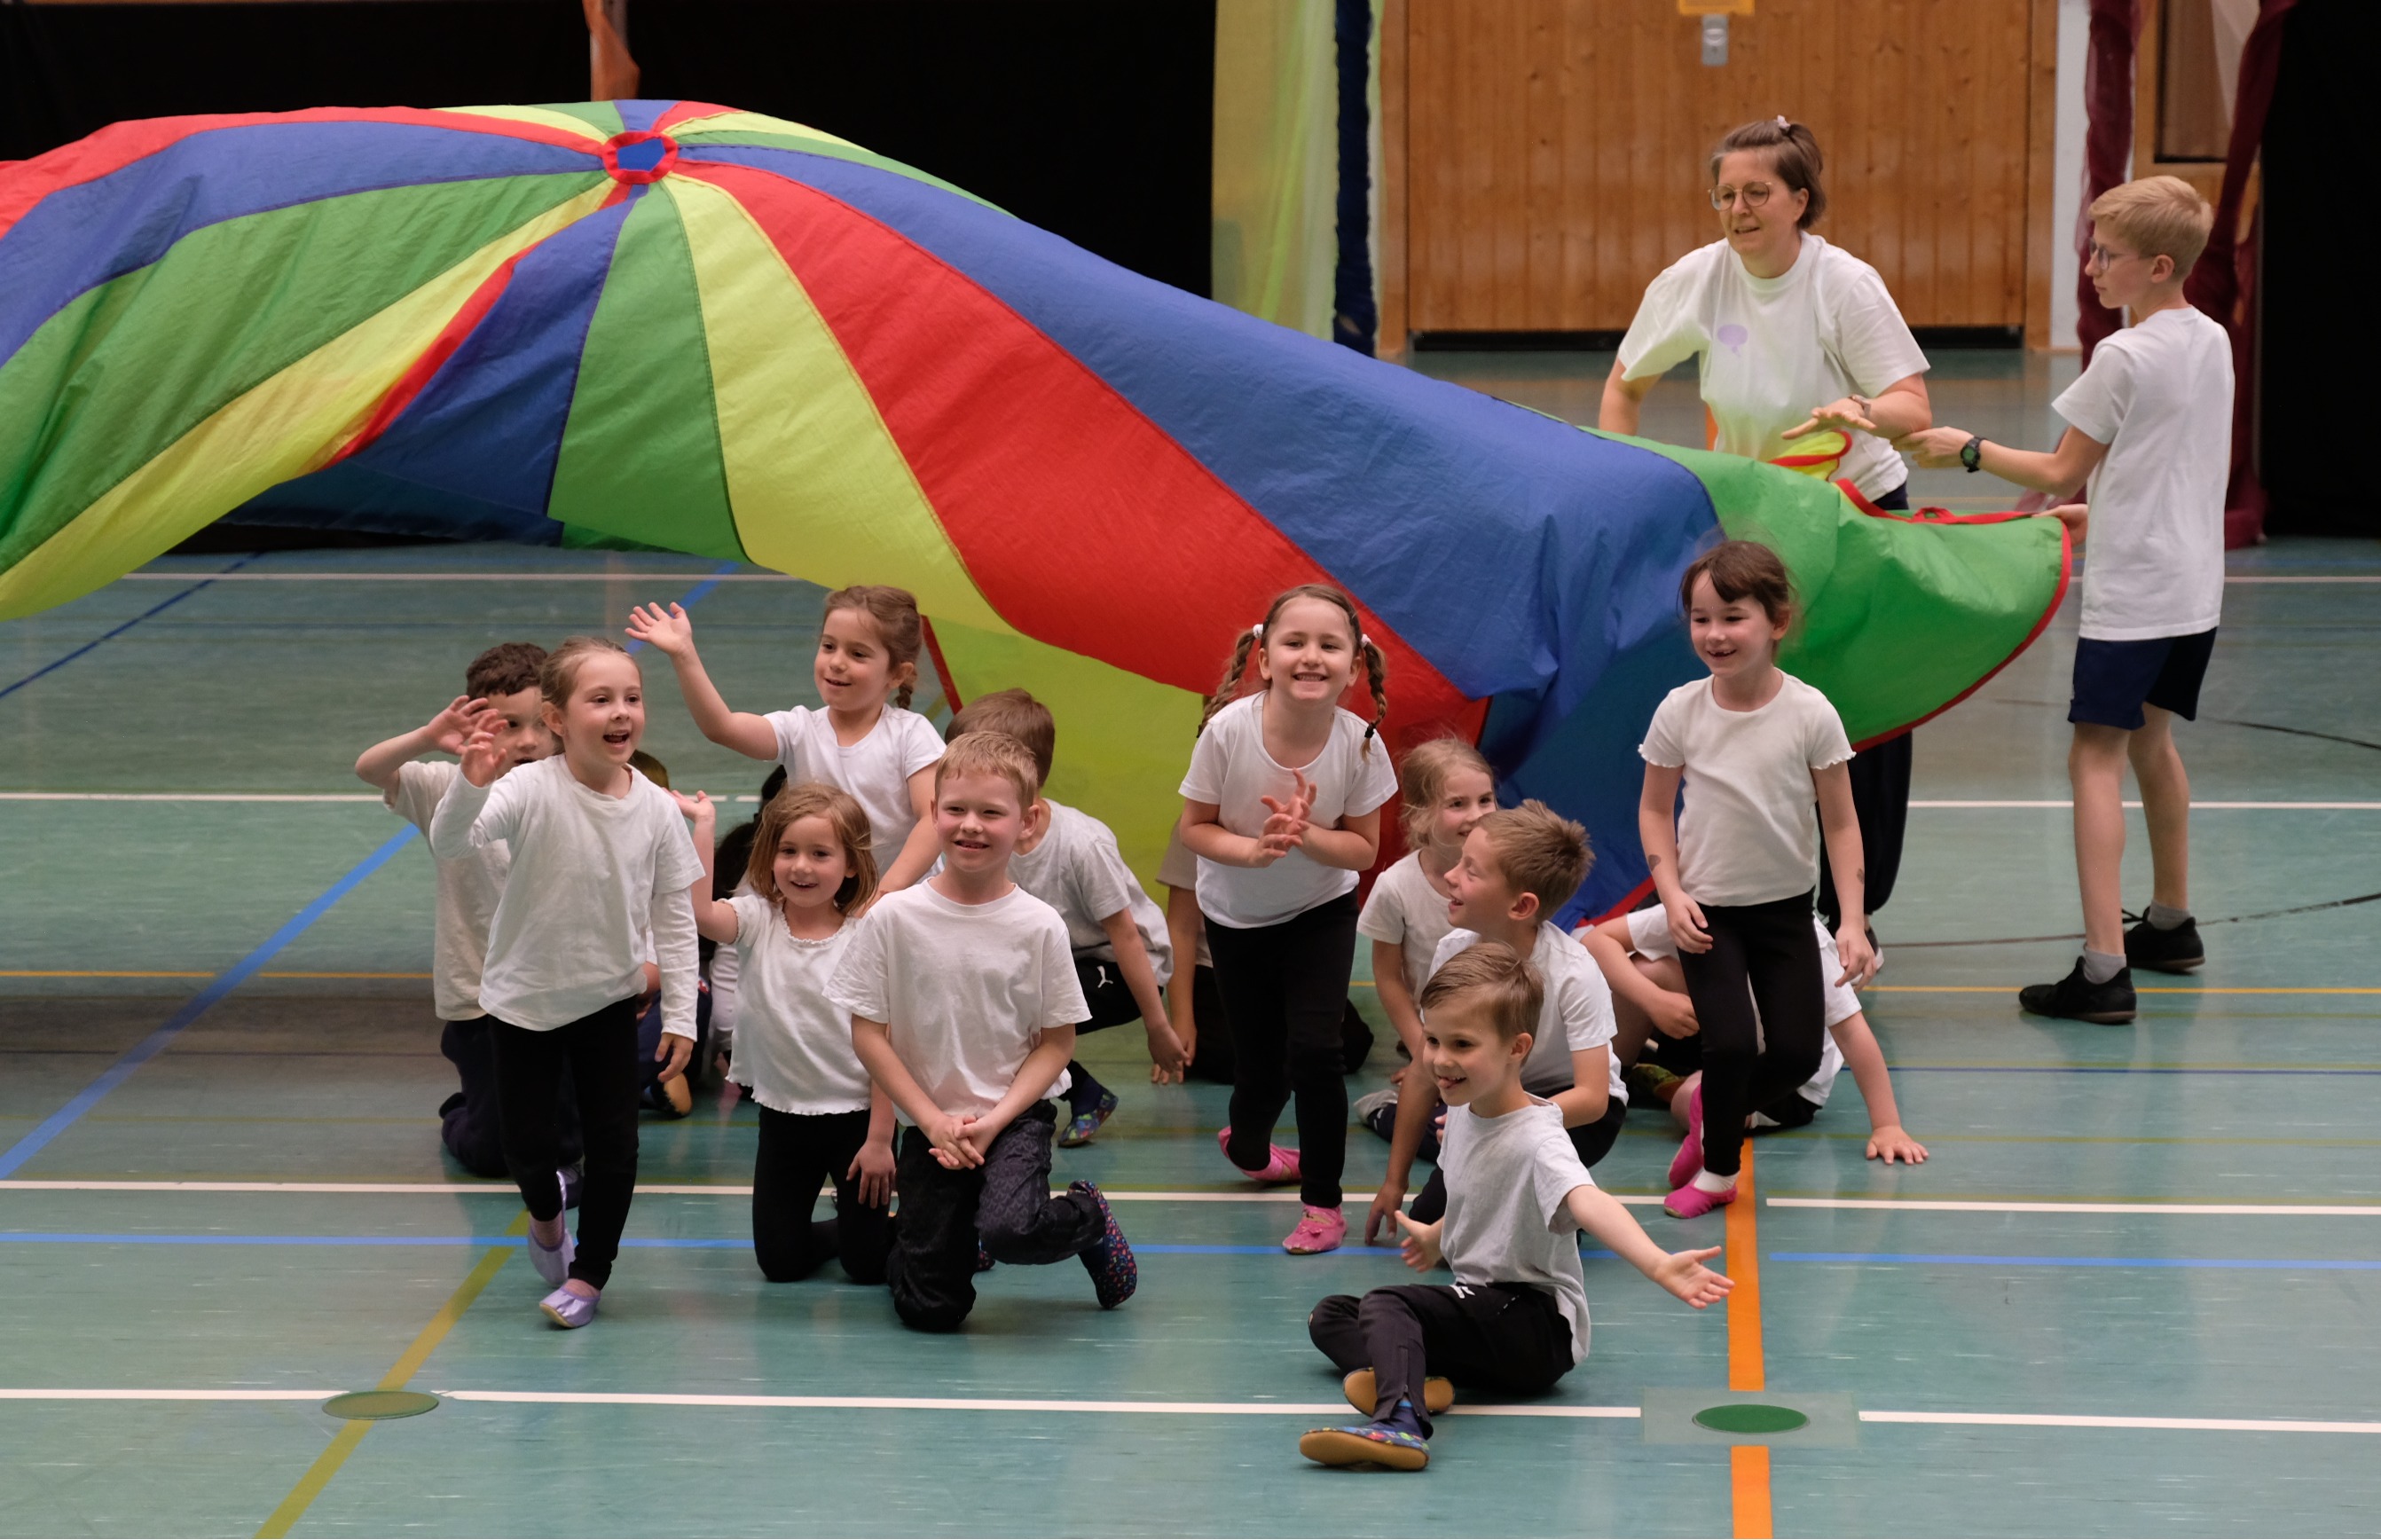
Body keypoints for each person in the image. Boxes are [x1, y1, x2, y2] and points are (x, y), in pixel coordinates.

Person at [1898, 176, 2228, 1025]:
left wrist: (1965, 449)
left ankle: (2102, 968)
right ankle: (2170, 922)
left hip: (2136, 595)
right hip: (2193, 588)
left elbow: (2054, 472)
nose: (2092, 266)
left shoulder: (2123, 355)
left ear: (2159, 266)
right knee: (2153, 741)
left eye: (2107, 255)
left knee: (2095, 758)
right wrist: (2104, 507)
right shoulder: (2212, 339)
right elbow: (2163, 457)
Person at [1600, 114, 1934, 947]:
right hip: (1752, 527)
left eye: (1757, 193)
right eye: (1726, 195)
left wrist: (1859, 410)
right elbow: (1624, 383)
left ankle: (1851, 915)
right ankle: (1733, 893)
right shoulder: (1699, 279)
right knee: (1737, 708)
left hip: (1852, 518)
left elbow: (1912, 407)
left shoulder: (1845, 285)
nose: (1738, 209)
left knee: (1855, 717)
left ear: (1799, 200)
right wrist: (1621, 469)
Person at [1301, 944, 1733, 1472]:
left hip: (1535, 1325)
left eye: (1462, 1043)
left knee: (1391, 1305)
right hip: (1487, 1313)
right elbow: (1477, 1192)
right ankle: (1422, 1382)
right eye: (1433, 1039)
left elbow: (1588, 1202)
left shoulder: (1539, 1138)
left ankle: (1401, 1421)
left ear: (1516, 1048)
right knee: (1333, 1315)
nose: (1439, 1058)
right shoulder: (1462, 1111)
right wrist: (1440, 1234)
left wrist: (1657, 1261)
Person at [428, 636, 704, 1329]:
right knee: (528, 1150)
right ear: (556, 718)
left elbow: (675, 913)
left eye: (632, 698)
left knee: (616, 1148)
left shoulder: (655, 809)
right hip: (521, 1005)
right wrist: (469, 782)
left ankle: (591, 1276)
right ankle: (548, 1223)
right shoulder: (526, 788)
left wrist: (681, 1017)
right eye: (601, 699)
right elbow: (452, 842)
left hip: (607, 1001)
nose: (621, 713)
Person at [829, 731, 1137, 1331]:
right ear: (934, 813)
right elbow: (868, 1033)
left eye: (991, 812)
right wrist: (931, 1119)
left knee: (1013, 1228)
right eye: (955, 809)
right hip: (932, 1123)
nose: (970, 825)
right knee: (929, 1311)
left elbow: (1057, 1044)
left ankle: (1086, 1217)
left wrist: (994, 1120)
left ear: (1027, 822)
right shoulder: (894, 918)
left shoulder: (1040, 925)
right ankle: (945, 1239)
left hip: (1014, 1118)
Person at [1638, 540, 1876, 1219]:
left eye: (1732, 617)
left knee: (1798, 1055)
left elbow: (1841, 823)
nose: (1714, 634)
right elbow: (1655, 810)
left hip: (1786, 913)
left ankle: (1713, 1112)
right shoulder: (1681, 711)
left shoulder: (1810, 714)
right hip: (1707, 913)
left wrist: (1851, 920)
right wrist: (1672, 893)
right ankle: (1717, 1175)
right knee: (1733, 1044)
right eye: (1700, 618)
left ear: (1777, 620)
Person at [1179, 584, 1398, 1254]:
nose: (1312, 657)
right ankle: (1247, 1143)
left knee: (1317, 1053)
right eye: (1294, 642)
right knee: (1262, 1070)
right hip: (1236, 919)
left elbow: (1362, 849)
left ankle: (1323, 1204)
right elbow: (1194, 829)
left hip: (1318, 912)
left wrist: (1304, 837)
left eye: (1329, 645)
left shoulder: (1361, 744)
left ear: (1353, 666)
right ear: (1264, 658)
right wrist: (1252, 850)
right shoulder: (1228, 732)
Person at [350, 641, 581, 1182]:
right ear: (479, 723)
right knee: (494, 1156)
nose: (526, 740)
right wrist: (430, 738)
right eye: (508, 724)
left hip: (560, 996)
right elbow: (369, 768)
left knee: (567, 1144)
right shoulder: (443, 788)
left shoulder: (575, 786)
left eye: (538, 724)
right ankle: (462, 1115)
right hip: (480, 999)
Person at [1370, 803, 1624, 1239]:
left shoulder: (1574, 972)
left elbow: (1594, 1098)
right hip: (1488, 1095)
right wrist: (1394, 1183)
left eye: (1471, 870)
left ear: (1521, 905)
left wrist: (1508, 1119)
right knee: (1430, 1229)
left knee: (1514, 1226)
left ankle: (1550, 1185)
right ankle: (1391, 1118)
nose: (1451, 876)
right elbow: (1423, 1069)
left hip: (1571, 1111)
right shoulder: (1453, 951)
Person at [942, 689, 1184, 1144]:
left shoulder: (1081, 845)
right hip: (1056, 960)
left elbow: (1127, 936)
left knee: (1012, 1016)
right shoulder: (974, 839)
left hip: (1123, 967)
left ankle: (1062, 1099)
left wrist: (1157, 1026)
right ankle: (1081, 1093)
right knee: (990, 1005)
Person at [680, 782, 895, 1285]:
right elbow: (701, 914)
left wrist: (882, 1138)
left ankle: (927, 1230)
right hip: (783, 1118)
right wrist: (704, 827)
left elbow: (890, 1042)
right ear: (769, 856)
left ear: (849, 865)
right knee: (780, 1263)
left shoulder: (869, 935)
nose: (801, 866)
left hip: (858, 1122)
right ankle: (869, 1229)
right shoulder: (758, 920)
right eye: (788, 850)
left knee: (867, 1269)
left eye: (820, 854)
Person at [627, 585, 946, 893]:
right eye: (829, 646)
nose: (836, 661)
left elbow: (932, 820)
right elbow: (722, 727)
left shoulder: (911, 735)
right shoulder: (799, 728)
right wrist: (684, 654)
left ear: (897, 674)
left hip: (902, 904)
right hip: (827, 903)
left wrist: (885, 893)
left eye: (858, 653)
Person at [1584, 905, 1928, 1164]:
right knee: (1646, 969)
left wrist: (1887, 1126)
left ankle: (1671, 1084)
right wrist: (1654, 1000)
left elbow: (1853, 1032)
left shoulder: (1800, 938)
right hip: (1724, 1032)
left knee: (1691, 1101)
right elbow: (1597, 940)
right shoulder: (1694, 908)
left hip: (1783, 1078)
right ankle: (1613, 1082)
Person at [1353, 738, 1497, 1157]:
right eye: (1457, 804)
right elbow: (1388, 976)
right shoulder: (1397, 887)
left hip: (1499, 1032)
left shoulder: (1510, 875)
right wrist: (1424, 1050)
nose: (1476, 815)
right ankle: (1385, 1111)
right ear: (1420, 814)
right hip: (1443, 1034)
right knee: (1441, 1138)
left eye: (1486, 799)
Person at [1156, 827, 1374, 1086]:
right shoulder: (1199, 825)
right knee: (1227, 1056)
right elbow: (1181, 928)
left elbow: (1330, 923)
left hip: (1291, 964)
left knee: (1349, 1045)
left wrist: (1327, 992)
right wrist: (1181, 1022)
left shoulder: (1311, 824)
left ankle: (1284, 1052)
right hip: (1222, 966)